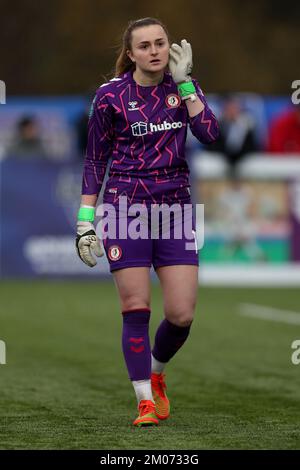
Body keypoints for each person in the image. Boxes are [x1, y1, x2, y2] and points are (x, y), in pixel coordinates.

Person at [76, 17, 219, 427]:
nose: (154, 51)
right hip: (125, 208)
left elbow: (211, 134)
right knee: (135, 307)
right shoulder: (110, 97)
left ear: (170, 47)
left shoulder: (183, 88)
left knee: (181, 315)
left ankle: (156, 373)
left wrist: (188, 84)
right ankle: (143, 401)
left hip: (175, 209)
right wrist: (86, 219)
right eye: (145, 46)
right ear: (131, 52)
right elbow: (94, 160)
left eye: (160, 43)